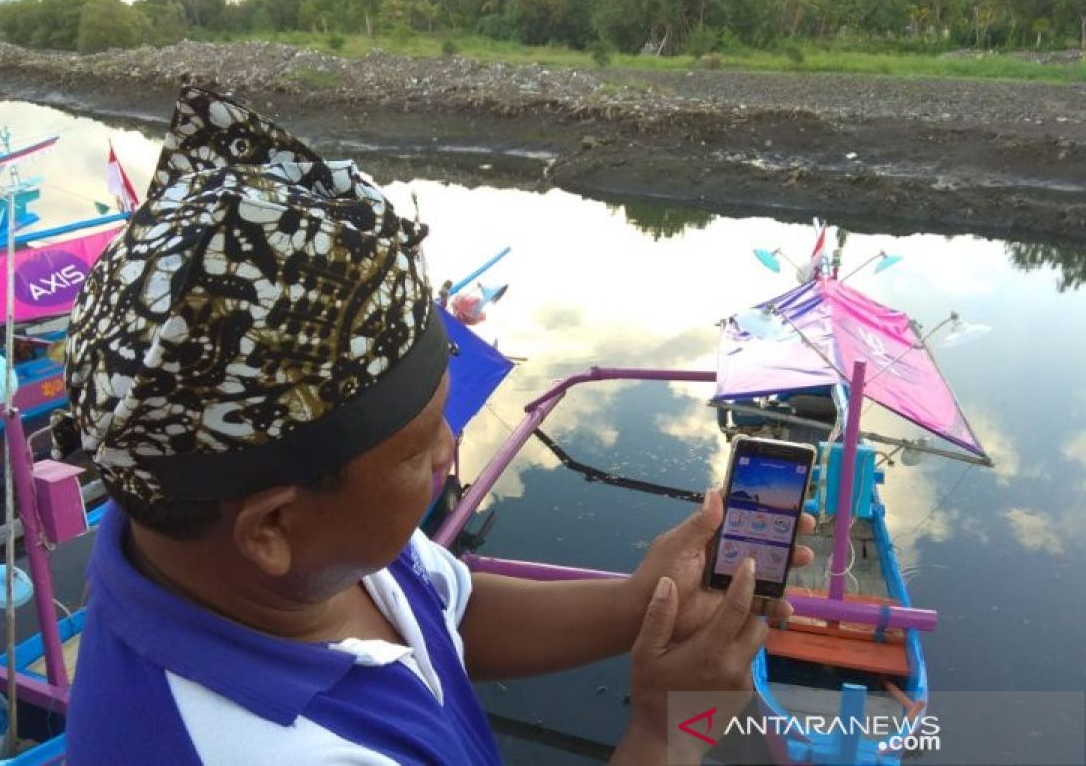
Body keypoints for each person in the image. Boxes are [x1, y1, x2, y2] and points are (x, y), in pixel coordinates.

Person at [59, 86, 813, 765]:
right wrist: (670, 730)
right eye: (423, 447)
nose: (451, 453)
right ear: (271, 526)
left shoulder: (265, 548)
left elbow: (447, 612)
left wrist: (644, 603)